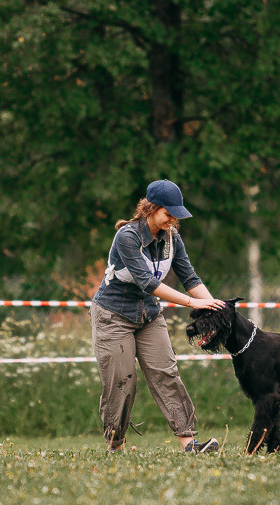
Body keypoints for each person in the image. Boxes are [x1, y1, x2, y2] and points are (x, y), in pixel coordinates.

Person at [91, 179, 226, 453]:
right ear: (150, 209)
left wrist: (214, 308)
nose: (173, 220)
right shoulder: (127, 237)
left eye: (177, 215)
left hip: (148, 315)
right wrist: (192, 303)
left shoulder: (172, 239)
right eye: (168, 213)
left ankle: (189, 443)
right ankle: (115, 446)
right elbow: (148, 283)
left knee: (167, 373)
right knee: (122, 381)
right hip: (113, 315)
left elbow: (190, 278)